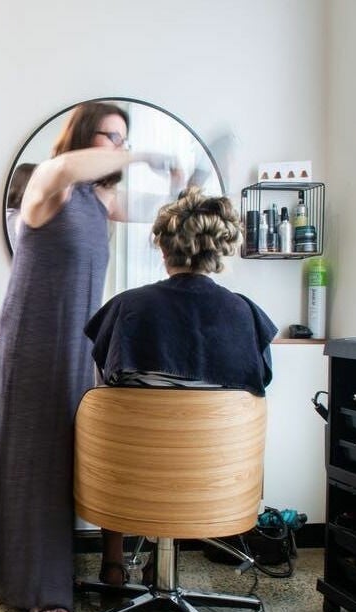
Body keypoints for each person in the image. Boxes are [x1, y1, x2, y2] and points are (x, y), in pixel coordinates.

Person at [0, 101, 179, 612]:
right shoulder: (48, 182)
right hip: (33, 333)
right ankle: (37, 586)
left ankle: (62, 568)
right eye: (111, 137)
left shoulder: (100, 200)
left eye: (124, 138)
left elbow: (157, 212)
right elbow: (69, 166)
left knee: (73, 453)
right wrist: (143, 153)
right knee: (38, 455)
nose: (119, 148)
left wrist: (177, 180)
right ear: (81, 134)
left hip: (78, 338)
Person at [83, 187, 278, 581]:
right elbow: (257, 390)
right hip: (214, 483)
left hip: (127, 479)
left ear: (163, 248)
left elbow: (103, 392)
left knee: (115, 418)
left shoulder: (127, 308)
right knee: (189, 436)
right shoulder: (246, 314)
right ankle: (162, 561)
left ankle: (114, 561)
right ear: (220, 251)